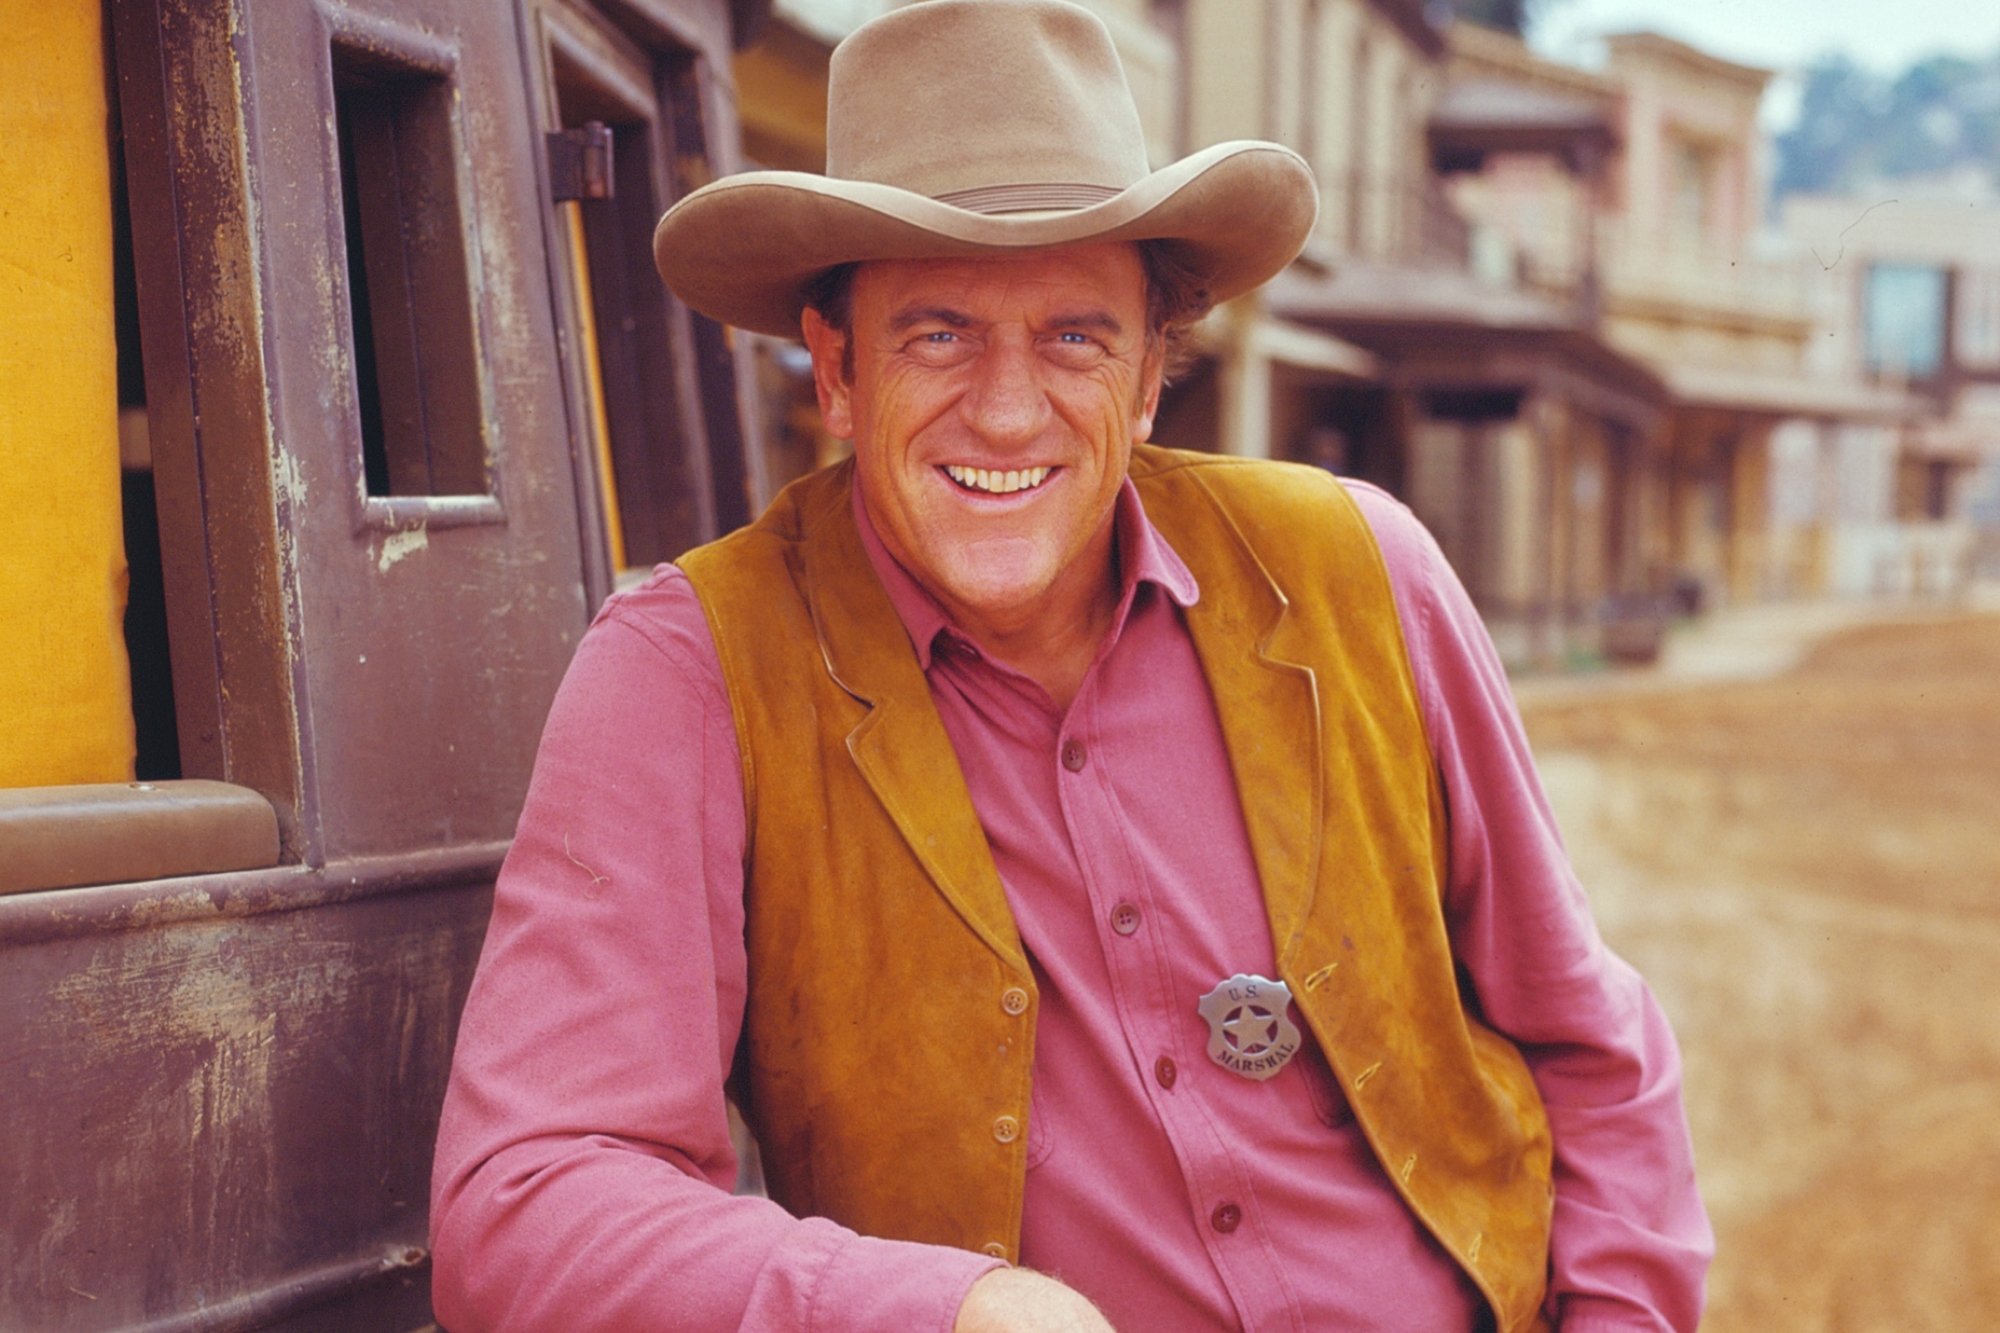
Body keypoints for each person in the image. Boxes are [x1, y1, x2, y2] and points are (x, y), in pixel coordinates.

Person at [429, 2, 1712, 1329]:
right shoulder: (691, 668)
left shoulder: (1359, 571)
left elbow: (1594, 1053)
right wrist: (948, 1312)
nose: (1004, 408)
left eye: (1074, 337)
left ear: (1151, 374)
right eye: (938, 331)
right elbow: (522, 1206)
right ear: (837, 368)